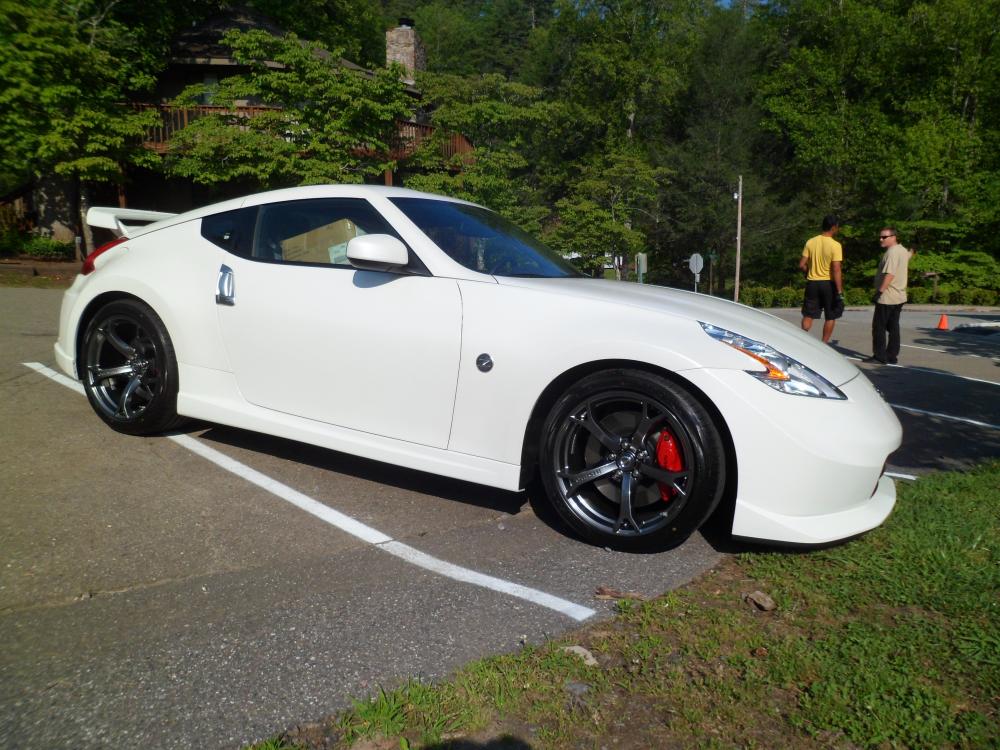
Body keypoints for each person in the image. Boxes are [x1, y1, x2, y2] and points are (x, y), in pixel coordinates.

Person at [868, 227, 912, 365]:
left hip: (888, 296)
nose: (881, 239)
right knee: (893, 327)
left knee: (879, 327)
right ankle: (892, 355)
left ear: (894, 237)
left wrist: (879, 292)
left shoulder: (892, 252)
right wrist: (914, 249)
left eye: (884, 237)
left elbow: (890, 274)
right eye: (880, 237)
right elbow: (908, 256)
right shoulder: (902, 250)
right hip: (899, 296)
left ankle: (879, 356)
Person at [799, 215, 844, 343]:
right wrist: (839, 290)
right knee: (830, 315)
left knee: (808, 314)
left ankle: (802, 340)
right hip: (828, 284)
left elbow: (801, 264)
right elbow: (836, 269)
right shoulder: (835, 245)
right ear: (834, 227)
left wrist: (808, 272)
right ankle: (824, 344)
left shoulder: (811, 242)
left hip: (812, 283)